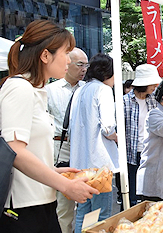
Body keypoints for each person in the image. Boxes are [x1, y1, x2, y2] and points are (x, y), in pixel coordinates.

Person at [0, 19, 98, 232]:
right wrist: (66, 185)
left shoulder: (35, 91)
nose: (69, 61)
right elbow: (14, 151)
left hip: (41, 201)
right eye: (66, 53)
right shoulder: (19, 87)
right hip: (23, 209)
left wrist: (55, 172)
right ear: (45, 55)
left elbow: (28, 151)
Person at [69, 53, 119, 233]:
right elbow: (108, 128)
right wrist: (117, 137)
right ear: (107, 73)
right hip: (100, 164)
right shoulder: (103, 90)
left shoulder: (80, 90)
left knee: (83, 210)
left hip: (80, 162)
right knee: (101, 214)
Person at [45, 47, 88, 233]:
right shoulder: (50, 90)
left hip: (84, 149)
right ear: (68, 63)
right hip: (59, 148)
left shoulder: (88, 90)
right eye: (80, 64)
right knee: (63, 203)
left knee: (85, 199)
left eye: (87, 65)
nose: (84, 69)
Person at [122, 64, 162, 207]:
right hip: (132, 154)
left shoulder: (153, 100)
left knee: (149, 194)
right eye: (152, 82)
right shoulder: (124, 101)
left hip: (151, 152)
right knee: (132, 195)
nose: (155, 85)